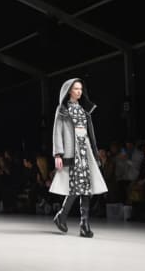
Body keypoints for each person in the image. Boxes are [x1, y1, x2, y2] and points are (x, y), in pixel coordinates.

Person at [49, 78, 107, 238]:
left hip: (85, 148)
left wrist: (95, 153)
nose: (79, 91)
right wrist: (58, 154)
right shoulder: (62, 109)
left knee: (86, 186)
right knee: (77, 184)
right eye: (76, 89)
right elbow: (57, 131)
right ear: (69, 90)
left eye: (80, 89)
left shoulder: (84, 109)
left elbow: (90, 132)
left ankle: (82, 223)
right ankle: (68, 218)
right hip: (72, 149)